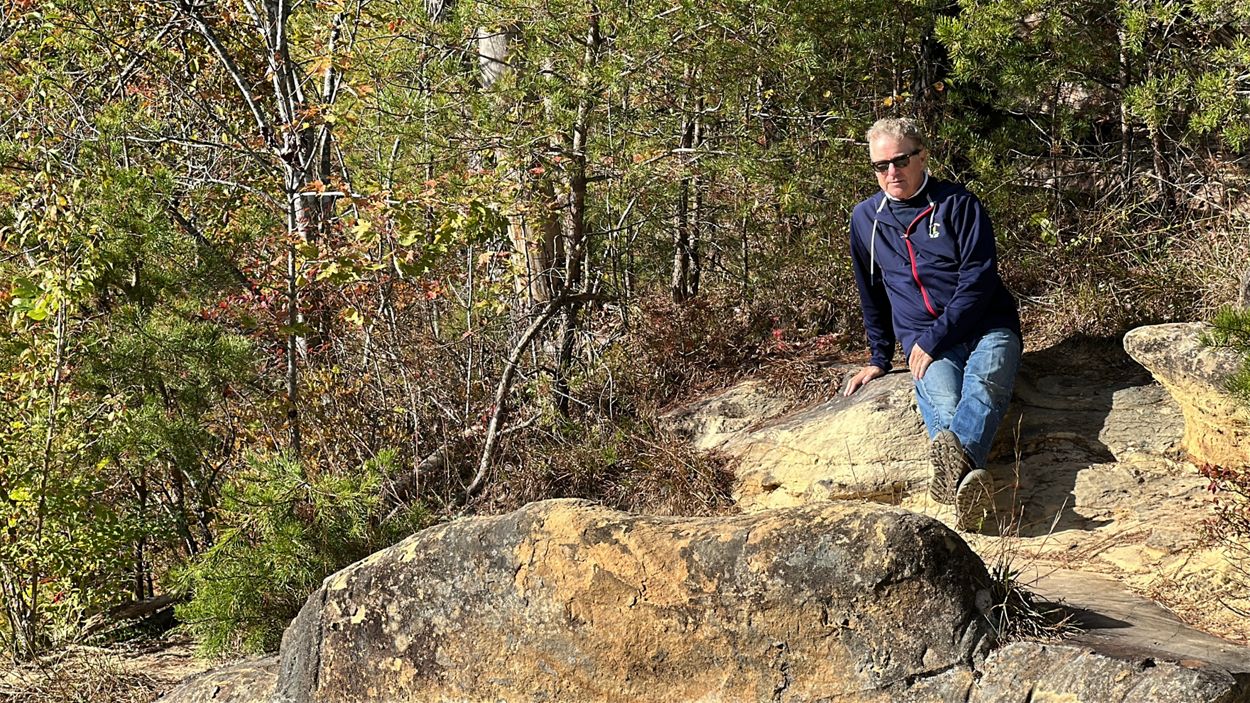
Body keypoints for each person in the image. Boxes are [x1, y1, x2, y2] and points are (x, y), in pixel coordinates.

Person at [842, 117, 1022, 532]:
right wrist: (879, 358)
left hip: (987, 326)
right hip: (925, 339)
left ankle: (955, 479)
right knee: (945, 403)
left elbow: (979, 280)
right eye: (880, 165)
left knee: (986, 384)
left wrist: (936, 336)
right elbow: (871, 292)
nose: (891, 172)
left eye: (900, 161)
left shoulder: (959, 204)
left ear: (922, 156)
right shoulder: (866, 219)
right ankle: (967, 487)